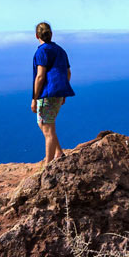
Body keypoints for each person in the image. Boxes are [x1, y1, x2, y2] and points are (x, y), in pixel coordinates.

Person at [31, 22, 75, 164]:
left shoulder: (41, 52)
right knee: (44, 124)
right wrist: (62, 92)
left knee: (47, 130)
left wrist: (34, 98)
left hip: (47, 94)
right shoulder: (60, 50)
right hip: (58, 92)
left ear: (37, 35)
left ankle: (48, 165)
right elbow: (68, 72)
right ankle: (59, 152)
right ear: (51, 34)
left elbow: (40, 76)